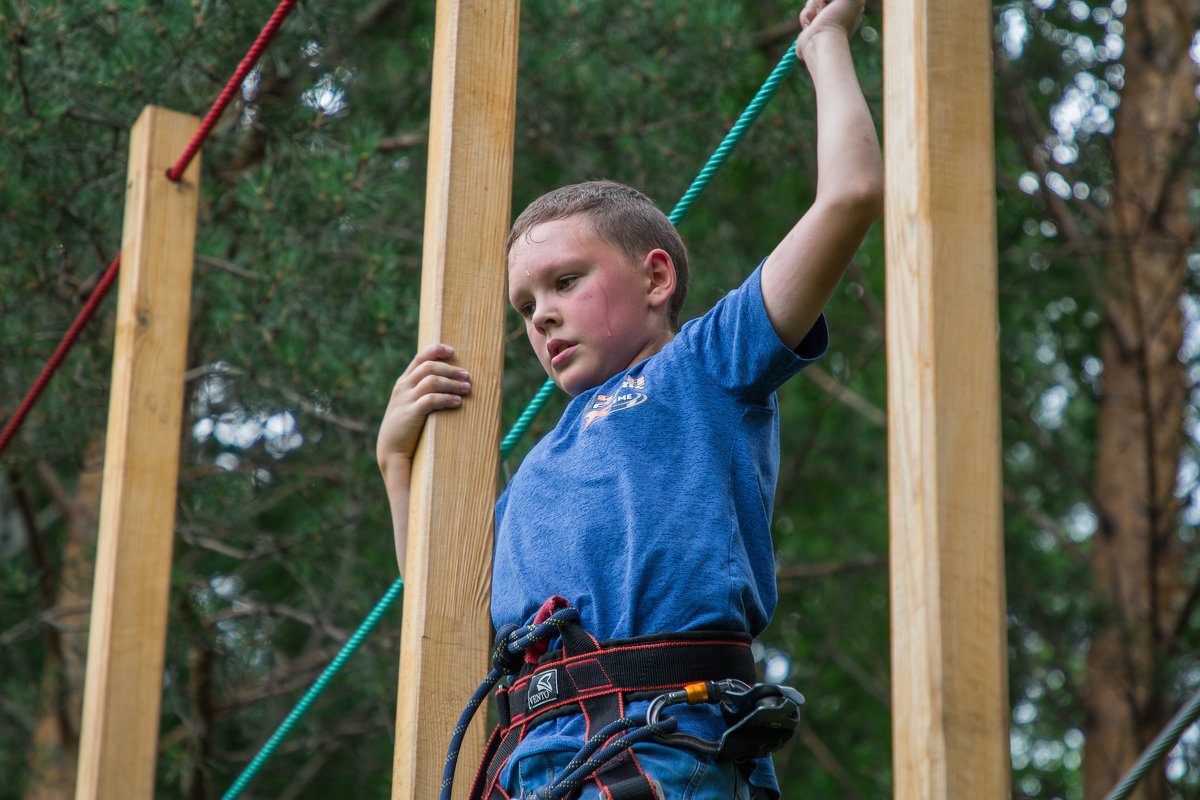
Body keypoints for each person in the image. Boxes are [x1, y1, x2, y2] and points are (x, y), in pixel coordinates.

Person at [376, 0, 882, 796]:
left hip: (664, 747)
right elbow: (446, 623)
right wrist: (396, 465)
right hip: (528, 768)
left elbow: (849, 196)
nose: (540, 312)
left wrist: (825, 45)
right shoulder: (537, 470)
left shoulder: (703, 366)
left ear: (655, 277)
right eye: (525, 306)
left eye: (565, 282)